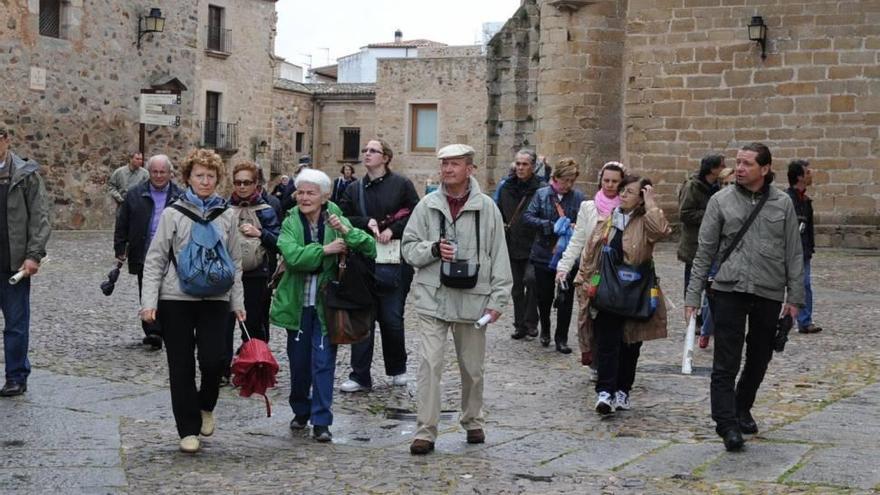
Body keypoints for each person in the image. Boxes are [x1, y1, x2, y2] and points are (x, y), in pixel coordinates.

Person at [685, 142, 804, 452]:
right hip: (729, 289)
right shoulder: (720, 201)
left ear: (764, 169)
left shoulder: (783, 204)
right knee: (726, 359)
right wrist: (692, 296)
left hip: (768, 290)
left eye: (747, 163)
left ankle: (742, 406)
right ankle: (726, 424)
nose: (739, 168)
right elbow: (704, 252)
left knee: (760, 357)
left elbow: (794, 252)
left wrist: (795, 298)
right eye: (737, 162)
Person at [402, 144, 512, 455]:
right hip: (433, 296)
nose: (448, 169)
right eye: (444, 164)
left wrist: (499, 300)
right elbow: (408, 249)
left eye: (454, 164)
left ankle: (473, 420)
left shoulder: (487, 208)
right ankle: (425, 430)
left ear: (470, 169)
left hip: (473, 299)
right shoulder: (426, 206)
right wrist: (433, 249)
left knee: (472, 367)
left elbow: (499, 255)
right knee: (429, 364)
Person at [140, 148, 245, 453]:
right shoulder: (173, 214)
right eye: (199, 175)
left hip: (215, 297)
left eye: (211, 176)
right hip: (176, 298)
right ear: (188, 178)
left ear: (218, 179)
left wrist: (238, 303)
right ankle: (187, 429)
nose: (205, 181)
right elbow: (156, 259)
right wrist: (149, 302)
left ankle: (206, 404)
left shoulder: (226, 215)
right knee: (181, 365)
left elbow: (236, 262)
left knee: (215, 360)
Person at [269, 168, 376, 443]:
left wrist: (347, 232)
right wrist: (325, 251)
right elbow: (291, 256)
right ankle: (300, 409)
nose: (304, 198)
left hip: (328, 305)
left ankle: (321, 420)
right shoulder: (291, 220)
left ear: (324, 196)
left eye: (310, 193)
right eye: (301, 192)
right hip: (297, 303)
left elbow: (369, 247)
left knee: (323, 363)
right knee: (299, 363)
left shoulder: (336, 217)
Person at [578, 175, 671, 415]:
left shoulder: (645, 222)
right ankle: (605, 391)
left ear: (641, 197)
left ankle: (623, 390)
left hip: (635, 291)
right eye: (623, 191)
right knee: (607, 341)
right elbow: (592, 253)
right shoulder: (609, 220)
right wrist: (586, 281)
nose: (623, 195)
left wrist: (651, 204)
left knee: (630, 343)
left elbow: (661, 231)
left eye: (630, 192)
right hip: (608, 289)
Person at [338, 139, 419, 392]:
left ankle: (397, 369)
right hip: (362, 262)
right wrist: (366, 222)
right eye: (365, 150)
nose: (367, 154)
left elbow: (416, 214)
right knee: (362, 317)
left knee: (392, 318)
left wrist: (393, 230)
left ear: (386, 157)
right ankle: (360, 375)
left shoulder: (402, 184)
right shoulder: (354, 188)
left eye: (373, 150)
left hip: (394, 261)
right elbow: (342, 216)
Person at [0, 125, 51, 397]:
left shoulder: (25, 175)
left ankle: (16, 376)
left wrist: (33, 255)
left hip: (13, 264)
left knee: (16, 325)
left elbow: (41, 217)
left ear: (6, 140)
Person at [113, 154, 183, 350]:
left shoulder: (180, 196)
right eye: (155, 172)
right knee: (147, 290)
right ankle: (152, 331)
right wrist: (120, 247)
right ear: (149, 172)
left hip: (172, 254)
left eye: (163, 172)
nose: (159, 175)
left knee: (170, 292)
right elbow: (122, 222)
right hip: (145, 252)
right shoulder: (135, 194)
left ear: (170, 173)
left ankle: (169, 328)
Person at [560, 161, 625, 366]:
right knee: (587, 317)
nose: (610, 184)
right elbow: (578, 239)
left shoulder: (626, 209)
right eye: (606, 180)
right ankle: (593, 357)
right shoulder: (588, 207)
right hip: (590, 272)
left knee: (608, 320)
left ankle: (607, 360)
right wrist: (564, 267)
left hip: (615, 273)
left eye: (615, 181)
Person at [223, 162, 281, 380]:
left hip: (256, 275)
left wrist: (260, 233)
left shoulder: (266, 211)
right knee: (225, 323)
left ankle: (254, 366)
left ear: (256, 184)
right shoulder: (225, 209)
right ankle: (222, 368)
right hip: (228, 275)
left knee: (253, 322)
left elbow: (278, 242)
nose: (242, 187)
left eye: (247, 182)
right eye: (238, 182)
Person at [522, 158, 585, 353]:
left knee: (566, 298)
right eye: (565, 180)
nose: (568, 185)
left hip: (568, 256)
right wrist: (547, 225)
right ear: (555, 178)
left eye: (571, 181)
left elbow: (584, 222)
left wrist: (574, 227)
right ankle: (546, 329)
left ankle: (562, 338)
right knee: (545, 297)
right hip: (544, 254)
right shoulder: (542, 195)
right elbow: (528, 217)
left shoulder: (578, 198)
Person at [496, 149, 544, 340]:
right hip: (511, 242)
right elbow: (498, 210)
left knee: (531, 281)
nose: (520, 167)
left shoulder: (540, 189)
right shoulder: (506, 187)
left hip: (534, 243)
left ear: (532, 166)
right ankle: (519, 324)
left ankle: (531, 321)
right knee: (516, 287)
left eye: (524, 164)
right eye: (518, 163)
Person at [678, 154, 725, 298]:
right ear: (712, 169)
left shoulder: (718, 186)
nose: (724, 168)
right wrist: (711, 215)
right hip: (694, 244)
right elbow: (684, 213)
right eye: (722, 165)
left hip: (714, 244)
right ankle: (691, 315)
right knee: (693, 285)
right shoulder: (692, 186)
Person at [787, 160, 822, 334]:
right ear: (799, 176)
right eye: (807, 172)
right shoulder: (787, 200)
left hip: (803, 251)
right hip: (788, 251)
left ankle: (805, 321)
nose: (811, 175)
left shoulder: (806, 201)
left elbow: (808, 228)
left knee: (805, 284)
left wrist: (810, 247)